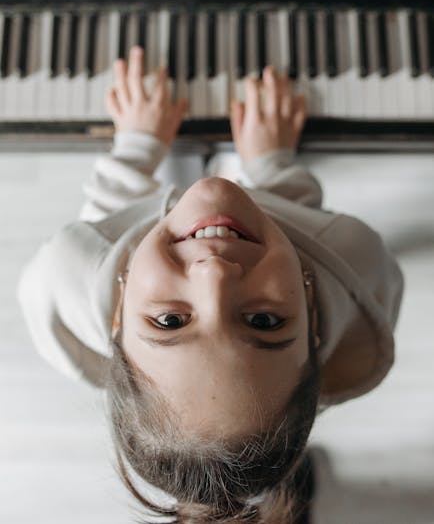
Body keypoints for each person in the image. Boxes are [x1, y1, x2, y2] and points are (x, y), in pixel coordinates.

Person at [17, 46, 404, 524]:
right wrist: (272, 167)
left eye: (169, 320)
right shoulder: (352, 259)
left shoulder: (73, 270)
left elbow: (109, 220)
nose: (214, 275)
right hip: (258, 219)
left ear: (116, 312)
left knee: (171, 187)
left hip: (138, 229)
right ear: (313, 311)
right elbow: (303, 220)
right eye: (263, 321)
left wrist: (137, 148)